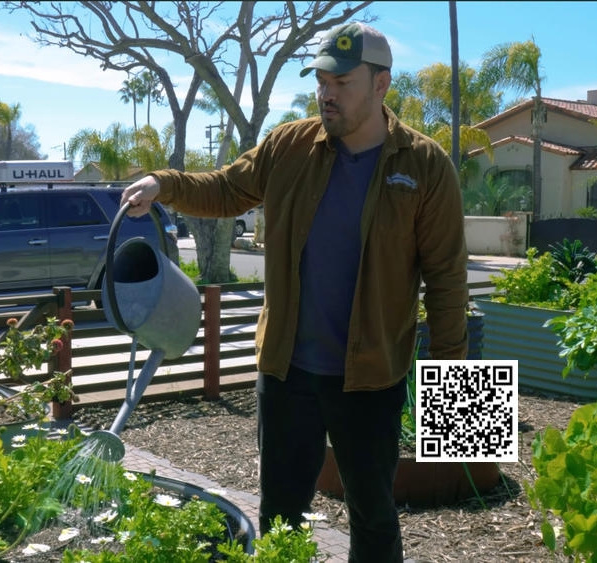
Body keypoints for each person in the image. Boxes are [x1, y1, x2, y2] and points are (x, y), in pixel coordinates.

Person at [121, 22, 468, 563]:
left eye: (343, 82)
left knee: (373, 517)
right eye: (322, 80)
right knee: (282, 514)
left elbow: (448, 280)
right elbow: (229, 188)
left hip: (371, 378)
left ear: (381, 86)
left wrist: (456, 406)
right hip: (286, 373)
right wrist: (164, 184)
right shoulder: (291, 145)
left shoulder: (424, 166)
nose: (328, 92)